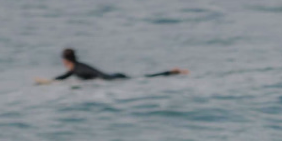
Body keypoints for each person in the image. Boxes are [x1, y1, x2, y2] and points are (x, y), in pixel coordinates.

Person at [39, 48, 188, 83]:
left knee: (145, 78)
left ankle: (170, 72)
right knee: (144, 77)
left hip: (112, 79)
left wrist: (46, 82)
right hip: (113, 75)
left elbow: (63, 77)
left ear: (65, 60)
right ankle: (170, 72)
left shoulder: (75, 69)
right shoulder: (79, 66)